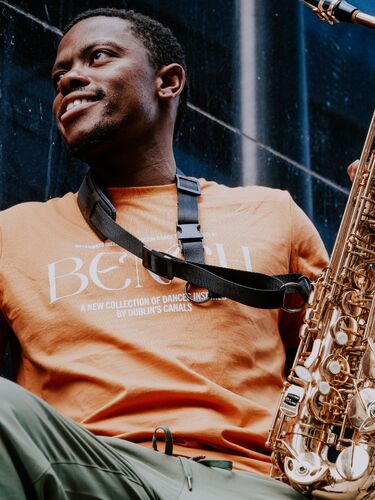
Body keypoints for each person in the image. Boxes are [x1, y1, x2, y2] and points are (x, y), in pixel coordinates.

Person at [0, 8, 328, 499]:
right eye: (58, 75)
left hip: (254, 482)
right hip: (88, 469)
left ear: (168, 82)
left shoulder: (272, 212)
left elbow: (342, 377)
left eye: (99, 57)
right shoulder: (13, 230)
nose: (69, 78)